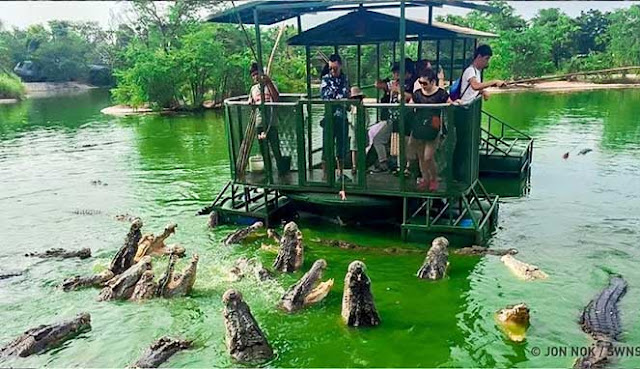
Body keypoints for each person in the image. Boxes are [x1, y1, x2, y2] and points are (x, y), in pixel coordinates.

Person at [411, 68, 453, 191]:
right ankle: (425, 179)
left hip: (433, 127)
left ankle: (434, 178)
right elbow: (411, 104)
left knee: (428, 157)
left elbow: (450, 103)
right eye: (420, 82)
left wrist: (456, 103)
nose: (422, 85)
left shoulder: (441, 93)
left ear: (433, 82)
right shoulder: (418, 93)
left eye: (425, 83)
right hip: (419, 125)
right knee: (420, 155)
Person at [247, 62, 286, 174]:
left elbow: (276, 97)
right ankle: (269, 173)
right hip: (259, 123)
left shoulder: (270, 85)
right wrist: (250, 102)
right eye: (253, 75)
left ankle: (281, 172)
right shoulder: (253, 89)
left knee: (275, 149)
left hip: (271, 123)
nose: (255, 77)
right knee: (264, 150)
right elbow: (251, 101)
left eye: (257, 74)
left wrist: (268, 82)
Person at [320, 54, 350, 181]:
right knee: (327, 146)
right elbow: (325, 96)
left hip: (342, 117)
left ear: (340, 66)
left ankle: (340, 173)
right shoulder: (326, 79)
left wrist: (340, 97)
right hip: (329, 117)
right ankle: (326, 175)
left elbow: (346, 94)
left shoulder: (345, 79)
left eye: (335, 68)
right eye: (330, 68)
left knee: (341, 146)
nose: (332, 71)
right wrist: (340, 98)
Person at [346, 86, 370, 175]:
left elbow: (367, 120)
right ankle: (354, 166)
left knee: (362, 148)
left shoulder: (363, 108)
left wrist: (365, 128)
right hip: (354, 131)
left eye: (358, 98)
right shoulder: (352, 108)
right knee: (354, 149)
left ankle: (362, 165)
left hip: (362, 130)